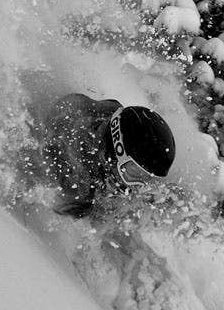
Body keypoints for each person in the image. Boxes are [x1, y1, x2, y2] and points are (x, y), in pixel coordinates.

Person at [42, 92, 176, 217]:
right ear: (113, 154)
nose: (138, 187)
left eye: (147, 178)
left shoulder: (112, 119)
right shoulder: (76, 179)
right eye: (134, 173)